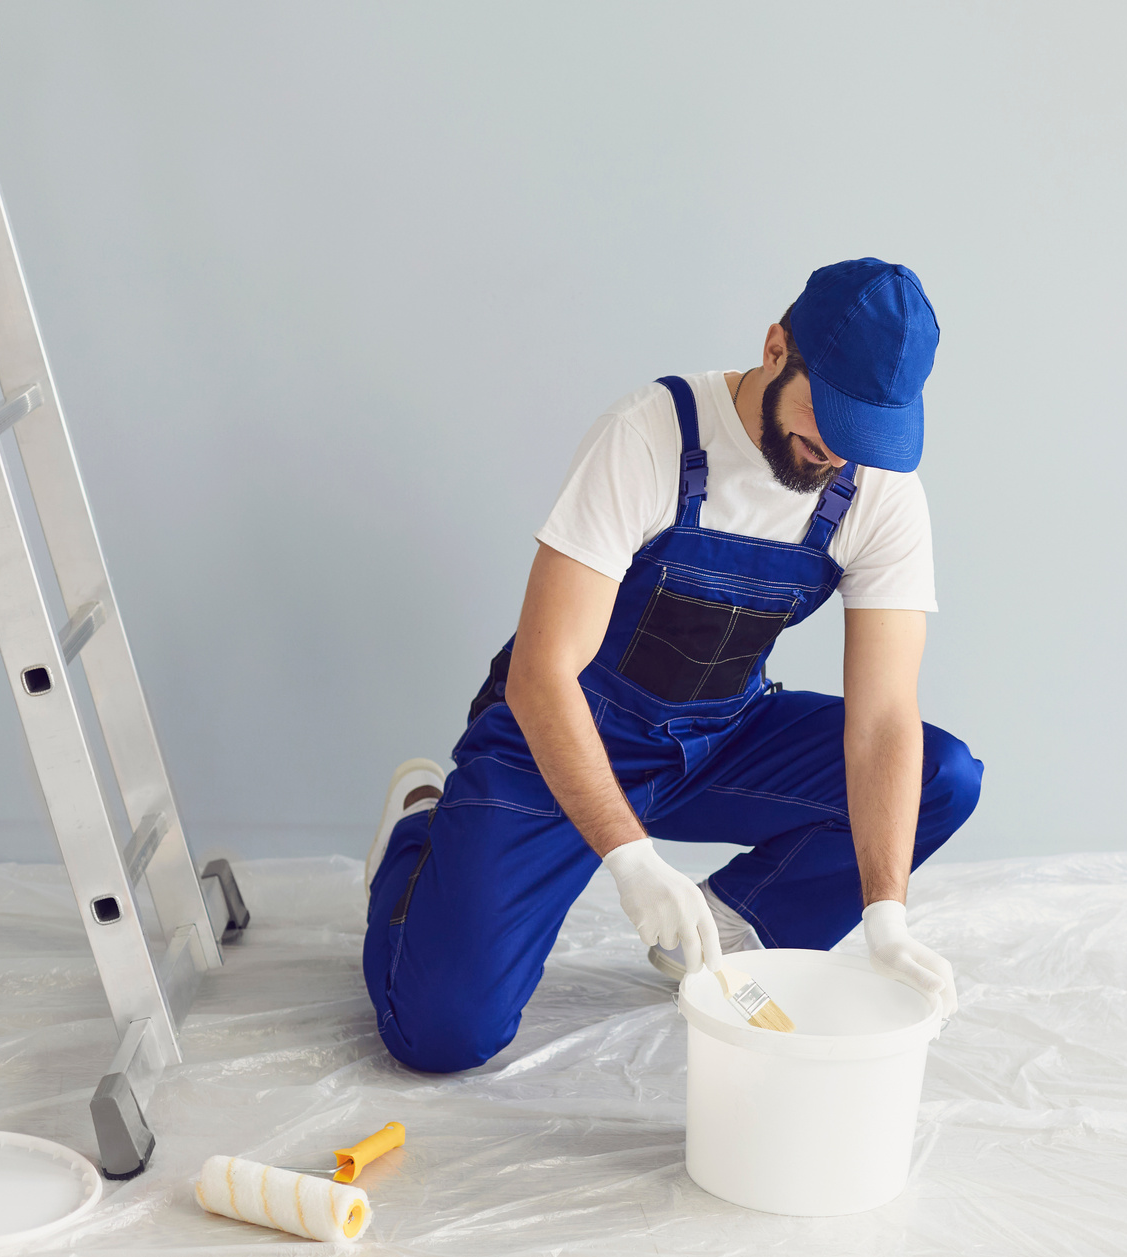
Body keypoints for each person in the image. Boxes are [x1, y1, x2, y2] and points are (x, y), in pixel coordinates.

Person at [360, 258, 983, 1073]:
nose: (834, 453)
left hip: (723, 735)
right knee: (440, 1032)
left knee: (942, 774)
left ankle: (736, 921)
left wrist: (885, 916)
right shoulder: (649, 436)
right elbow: (541, 673)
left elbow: (883, 720)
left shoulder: (879, 490)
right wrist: (632, 861)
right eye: (823, 415)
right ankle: (417, 834)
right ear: (774, 347)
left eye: (862, 435)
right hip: (564, 736)